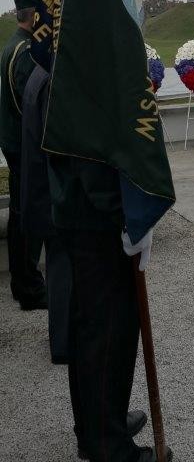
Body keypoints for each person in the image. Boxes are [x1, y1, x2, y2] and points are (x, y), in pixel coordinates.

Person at [47, 152, 168, 461]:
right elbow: (97, 141)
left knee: (89, 325)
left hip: (80, 200)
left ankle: (96, 426)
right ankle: (109, 447)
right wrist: (125, 212)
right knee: (109, 329)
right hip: (97, 209)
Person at [20, 63, 73, 363]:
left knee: (58, 268)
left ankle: (61, 334)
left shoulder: (39, 73)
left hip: (43, 189)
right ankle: (64, 343)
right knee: (63, 270)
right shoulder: (53, 79)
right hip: (54, 193)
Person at [0, 0, 46, 309]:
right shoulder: (27, 51)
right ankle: (29, 287)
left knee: (19, 213)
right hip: (25, 146)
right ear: (35, 17)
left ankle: (22, 283)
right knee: (29, 215)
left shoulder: (11, 45)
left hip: (13, 142)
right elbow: (30, 104)